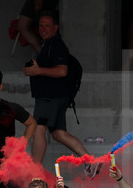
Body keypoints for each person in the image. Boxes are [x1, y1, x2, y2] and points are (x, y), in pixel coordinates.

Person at [23, 12, 99, 176]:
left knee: (38, 129)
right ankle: (91, 161)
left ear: (55, 27)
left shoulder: (56, 45)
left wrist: (38, 71)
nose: (43, 29)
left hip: (50, 97)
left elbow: (62, 71)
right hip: (54, 97)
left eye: (47, 26)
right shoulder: (47, 45)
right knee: (58, 133)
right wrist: (33, 70)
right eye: (41, 26)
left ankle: (35, 173)